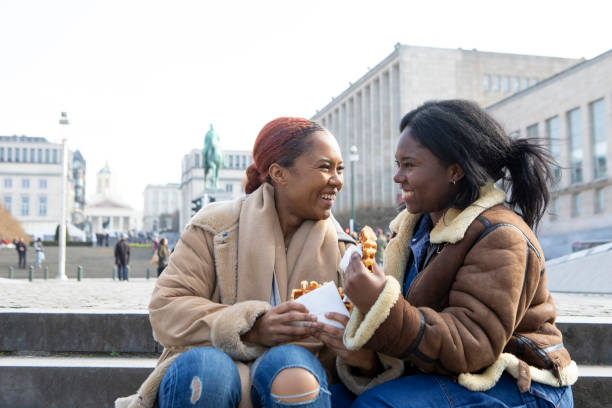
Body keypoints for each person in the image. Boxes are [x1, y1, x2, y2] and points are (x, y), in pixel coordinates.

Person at [116, 117, 393, 408]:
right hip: (205, 373)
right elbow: (166, 308)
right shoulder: (212, 228)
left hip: (305, 379)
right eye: (325, 167)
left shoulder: (348, 253)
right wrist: (251, 328)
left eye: (340, 169)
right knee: (211, 370)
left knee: (292, 365)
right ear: (279, 174)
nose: (337, 180)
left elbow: (378, 354)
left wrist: (361, 357)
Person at [333, 100, 576, 407]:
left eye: (409, 165)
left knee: (378, 405)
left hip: (521, 383)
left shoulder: (502, 236)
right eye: (398, 165)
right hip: (450, 375)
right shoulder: (415, 230)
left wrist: (381, 304)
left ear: (454, 171)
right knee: (331, 397)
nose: (398, 177)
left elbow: (471, 345)